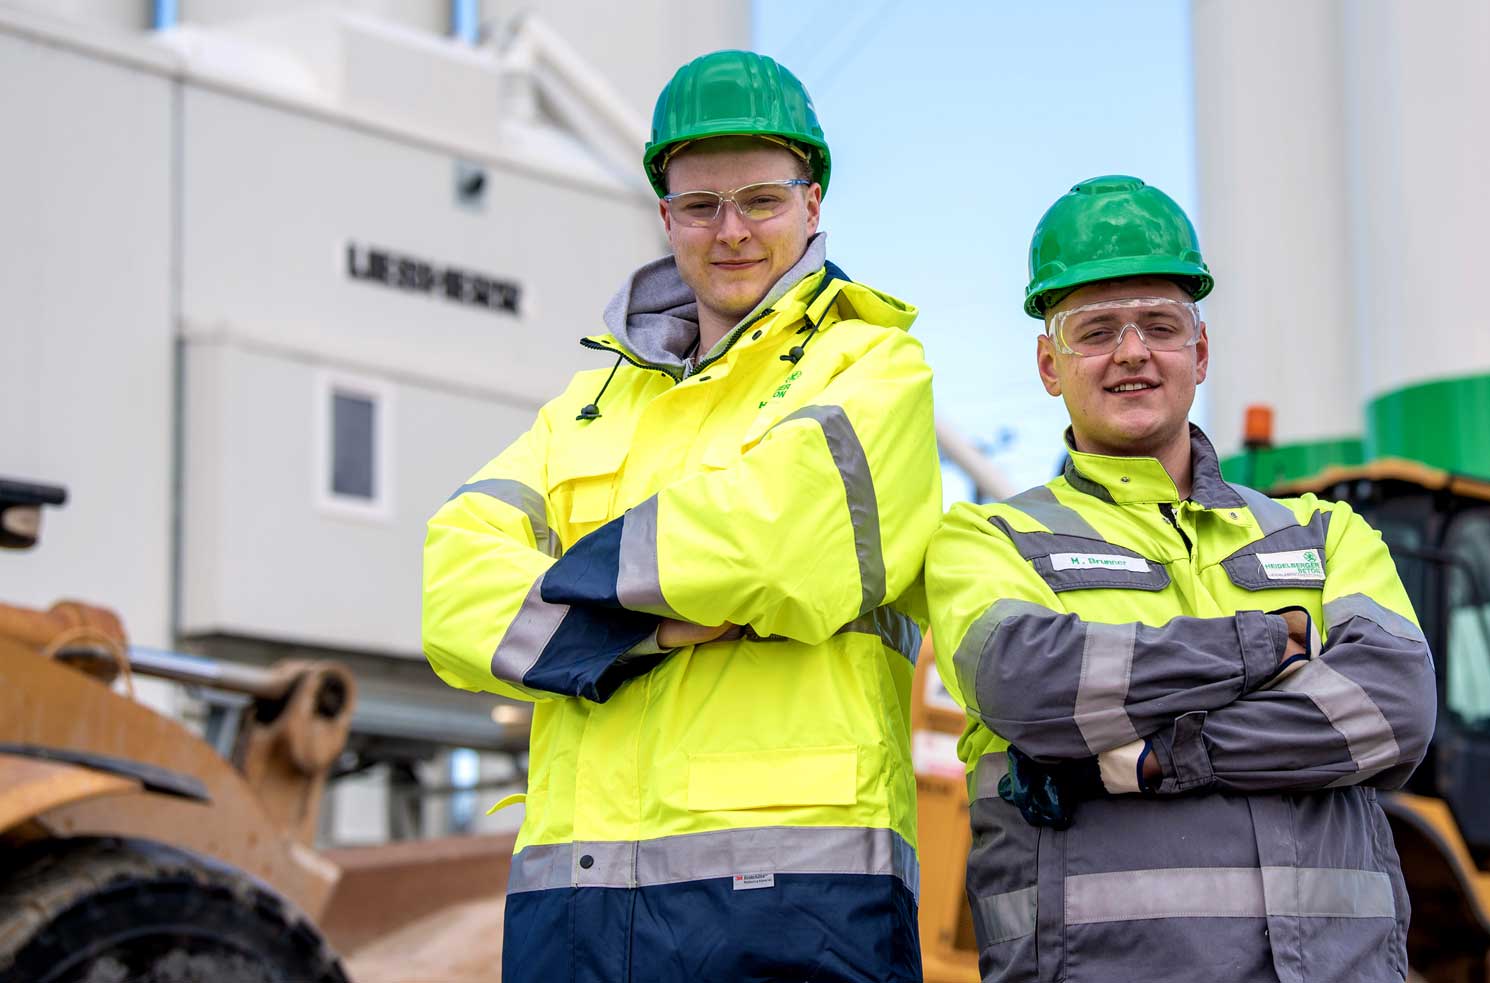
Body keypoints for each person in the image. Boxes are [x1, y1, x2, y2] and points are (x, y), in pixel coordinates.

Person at [422, 50, 938, 983]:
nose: (730, 231)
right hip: (570, 908)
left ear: (812, 205)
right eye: (700, 206)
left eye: (762, 200)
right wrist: (652, 626)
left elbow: (781, 544)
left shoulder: (873, 368)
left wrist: (566, 601)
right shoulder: (585, 406)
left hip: (795, 904)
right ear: (666, 218)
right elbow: (452, 588)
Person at [926, 175, 1437, 982]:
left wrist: (1167, 757)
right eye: (1095, 330)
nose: (1132, 352)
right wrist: (1274, 644)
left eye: (1160, 326)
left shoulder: (1321, 531)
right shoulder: (990, 538)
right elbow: (1029, 683)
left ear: (1199, 352)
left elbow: (1392, 707)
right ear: (1049, 365)